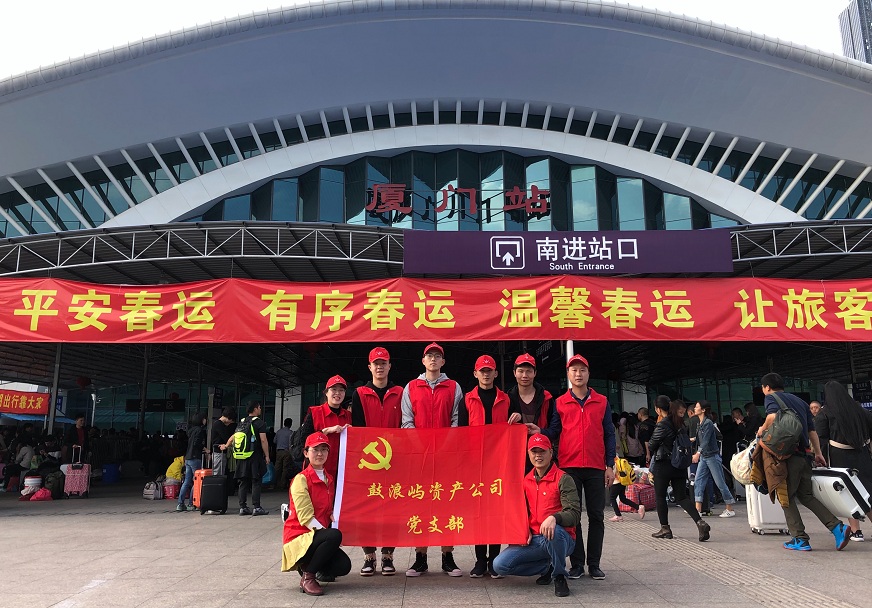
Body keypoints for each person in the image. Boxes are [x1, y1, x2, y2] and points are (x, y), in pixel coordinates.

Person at [759, 373, 851, 551]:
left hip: (788, 458)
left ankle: (799, 538)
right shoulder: (800, 402)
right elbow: (812, 431)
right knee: (806, 496)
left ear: (767, 387)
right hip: (805, 456)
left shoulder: (771, 398)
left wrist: (762, 430)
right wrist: (818, 453)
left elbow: (772, 417)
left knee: (786, 497)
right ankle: (837, 527)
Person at [401, 342, 464, 577]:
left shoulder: (454, 387)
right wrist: (421, 448)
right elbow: (407, 420)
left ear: (443, 362)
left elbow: (457, 419)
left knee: (446, 504)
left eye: (438, 356)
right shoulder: (411, 387)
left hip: (446, 456)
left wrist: (445, 446)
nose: (433, 359)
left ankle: (448, 557)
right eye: (429, 356)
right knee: (421, 504)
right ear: (423, 361)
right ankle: (420, 558)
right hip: (420, 457)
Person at [492, 433, 580, 597]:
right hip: (535, 539)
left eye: (542, 451)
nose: (538, 455)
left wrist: (554, 518)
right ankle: (547, 567)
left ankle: (559, 576)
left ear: (550, 452)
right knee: (500, 566)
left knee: (554, 531)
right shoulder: (526, 480)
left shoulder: (563, 479)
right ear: (528, 454)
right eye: (534, 452)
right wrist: (522, 532)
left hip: (561, 538)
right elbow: (520, 512)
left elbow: (574, 514)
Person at [556, 354, 615, 581]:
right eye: (574, 370)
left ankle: (595, 564)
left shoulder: (602, 401)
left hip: (595, 466)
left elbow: (609, 434)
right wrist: (536, 431)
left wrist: (609, 465)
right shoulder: (560, 403)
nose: (578, 374)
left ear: (588, 374)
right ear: (568, 374)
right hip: (569, 467)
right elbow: (554, 431)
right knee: (573, 517)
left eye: (582, 370)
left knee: (596, 515)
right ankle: (577, 564)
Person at [350, 346, 404, 577]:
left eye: (383, 363)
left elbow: (405, 424)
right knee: (367, 509)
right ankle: (369, 556)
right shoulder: (359, 393)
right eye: (376, 363)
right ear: (369, 367)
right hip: (369, 461)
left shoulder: (401, 392)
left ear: (389, 366)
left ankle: (388, 555)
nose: (380, 367)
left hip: (396, 460)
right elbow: (358, 428)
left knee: (392, 508)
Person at [281, 431, 352, 596]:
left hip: (317, 537)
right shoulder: (301, 479)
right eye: (315, 450)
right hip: (299, 536)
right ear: (306, 453)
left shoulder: (329, 479)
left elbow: (328, 509)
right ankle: (308, 577)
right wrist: (330, 537)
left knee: (343, 566)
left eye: (324, 449)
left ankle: (309, 565)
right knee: (334, 536)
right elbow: (306, 518)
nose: (320, 454)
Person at [460, 354, 511, 579]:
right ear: (475, 373)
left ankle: (494, 560)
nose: (486, 374)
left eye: (489, 370)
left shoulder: (506, 399)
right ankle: (481, 560)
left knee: (496, 512)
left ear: (496, 373)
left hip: (499, 463)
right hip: (476, 464)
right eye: (482, 371)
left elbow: (514, 427)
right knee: (479, 513)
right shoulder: (467, 399)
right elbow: (461, 433)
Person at [813, 380, 872, 542]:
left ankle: (856, 531)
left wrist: (820, 458)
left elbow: (821, 438)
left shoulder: (825, 413)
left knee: (848, 492)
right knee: (867, 491)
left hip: (839, 456)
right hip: (862, 455)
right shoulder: (860, 410)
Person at [648, 396, 709, 541]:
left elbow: (652, 444)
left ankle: (665, 528)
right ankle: (700, 522)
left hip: (664, 464)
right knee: (681, 497)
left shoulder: (663, 424)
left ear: (658, 409)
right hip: (679, 464)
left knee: (660, 496)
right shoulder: (680, 422)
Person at [506, 353, 559, 472]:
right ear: (514, 373)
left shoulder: (547, 398)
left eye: (529, 371)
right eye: (521, 371)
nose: (524, 375)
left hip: (541, 456)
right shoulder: (506, 400)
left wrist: (541, 431)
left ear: (535, 373)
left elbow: (556, 430)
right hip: (516, 458)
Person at [298, 375, 352, 481]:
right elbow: (303, 440)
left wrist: (353, 432)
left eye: (341, 390)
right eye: (334, 389)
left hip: (341, 470)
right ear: (326, 392)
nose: (338, 393)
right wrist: (325, 431)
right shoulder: (314, 412)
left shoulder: (349, 416)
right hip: (318, 469)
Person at [691, 401, 736, 518]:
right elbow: (702, 439)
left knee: (720, 483)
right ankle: (698, 509)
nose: (695, 408)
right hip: (705, 457)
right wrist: (693, 440)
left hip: (711, 456)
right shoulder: (700, 423)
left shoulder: (708, 423)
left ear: (703, 410)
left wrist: (697, 453)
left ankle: (730, 508)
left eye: (697, 407)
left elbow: (706, 440)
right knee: (698, 481)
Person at [235, 401, 270, 517]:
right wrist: (267, 455)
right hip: (255, 456)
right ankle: (257, 507)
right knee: (256, 481)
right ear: (255, 409)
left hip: (242, 456)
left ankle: (243, 507)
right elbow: (263, 440)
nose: (260, 409)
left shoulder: (242, 422)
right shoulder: (259, 423)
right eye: (259, 407)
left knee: (243, 482)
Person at [177, 411, 207, 512]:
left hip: (188, 458)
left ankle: (180, 504)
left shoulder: (191, 430)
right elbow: (197, 443)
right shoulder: (199, 430)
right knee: (196, 481)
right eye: (204, 418)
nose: (205, 420)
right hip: (195, 457)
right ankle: (191, 503)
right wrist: (205, 449)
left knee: (186, 481)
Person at [608, 454, 645, 522]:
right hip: (623, 481)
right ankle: (638, 507)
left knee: (612, 498)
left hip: (616, 482)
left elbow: (612, 472)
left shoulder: (611, 460)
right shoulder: (617, 458)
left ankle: (618, 515)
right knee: (623, 498)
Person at [274, 417, 294, 490]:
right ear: (290, 424)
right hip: (287, 452)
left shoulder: (278, 432)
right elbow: (291, 444)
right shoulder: (291, 433)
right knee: (285, 468)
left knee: (277, 468)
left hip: (279, 451)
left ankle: (275, 483)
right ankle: (282, 484)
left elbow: (274, 441)